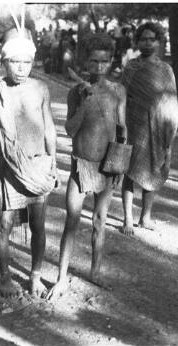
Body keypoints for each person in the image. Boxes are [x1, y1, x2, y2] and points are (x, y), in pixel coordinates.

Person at [0, 16, 58, 298]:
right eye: (15, 62)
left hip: (38, 165)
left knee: (38, 225)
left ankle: (35, 276)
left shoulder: (40, 88)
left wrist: (54, 162)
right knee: (5, 223)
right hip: (8, 170)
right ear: (3, 61)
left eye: (26, 62)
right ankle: (4, 277)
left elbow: (49, 127)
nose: (21, 68)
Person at [46, 33, 127, 300]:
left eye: (104, 61)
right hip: (80, 167)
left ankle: (95, 271)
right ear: (86, 62)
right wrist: (84, 103)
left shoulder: (118, 91)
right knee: (71, 220)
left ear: (112, 61)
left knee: (100, 221)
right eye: (94, 61)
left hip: (106, 165)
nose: (99, 67)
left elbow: (122, 129)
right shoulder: (76, 92)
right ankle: (61, 278)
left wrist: (120, 166)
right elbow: (69, 129)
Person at [120, 22, 178, 236]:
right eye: (143, 39)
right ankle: (127, 218)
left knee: (153, 168)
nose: (147, 43)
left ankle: (145, 216)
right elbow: (122, 97)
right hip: (133, 126)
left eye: (151, 39)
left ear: (158, 41)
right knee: (129, 172)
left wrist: (170, 132)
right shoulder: (131, 67)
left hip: (157, 128)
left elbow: (170, 101)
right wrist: (121, 125)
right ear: (137, 41)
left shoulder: (166, 69)